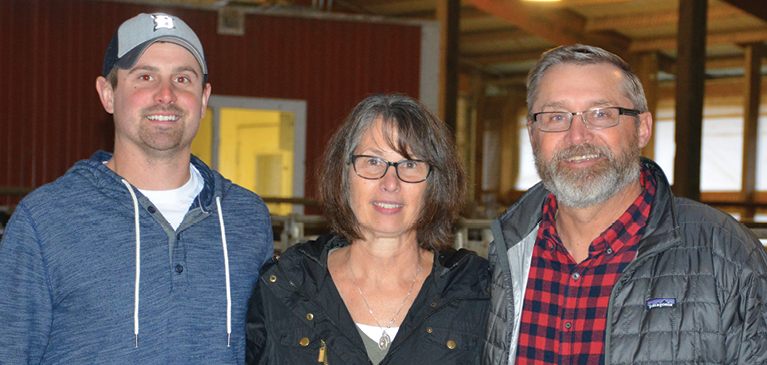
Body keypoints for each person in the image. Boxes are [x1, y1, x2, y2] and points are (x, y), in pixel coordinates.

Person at [0, 13, 273, 364]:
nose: (166, 95)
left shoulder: (246, 218)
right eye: (145, 76)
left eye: (183, 78)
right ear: (108, 94)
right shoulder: (45, 220)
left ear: (204, 98)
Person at [482, 44, 767, 364]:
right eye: (555, 116)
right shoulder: (505, 256)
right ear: (533, 134)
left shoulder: (726, 253)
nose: (577, 136)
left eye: (601, 114)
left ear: (642, 128)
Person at [246, 93, 490, 364]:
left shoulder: (475, 291)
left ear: (435, 183)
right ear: (344, 174)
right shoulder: (286, 286)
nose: (390, 182)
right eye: (373, 161)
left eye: (409, 164)